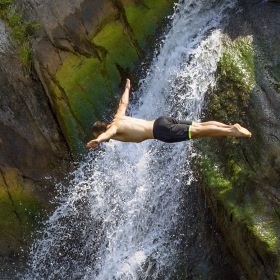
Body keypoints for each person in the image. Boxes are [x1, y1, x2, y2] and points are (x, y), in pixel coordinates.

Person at [86, 79, 251, 151]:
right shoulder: (118, 117)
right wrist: (127, 88)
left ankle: (232, 132)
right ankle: (230, 127)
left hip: (160, 132)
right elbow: (123, 103)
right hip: (161, 121)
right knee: (200, 126)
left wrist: (98, 140)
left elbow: (109, 134)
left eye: (98, 135)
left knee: (200, 132)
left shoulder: (113, 129)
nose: (103, 140)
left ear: (101, 131)